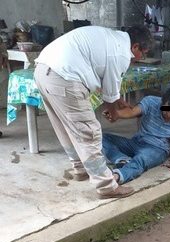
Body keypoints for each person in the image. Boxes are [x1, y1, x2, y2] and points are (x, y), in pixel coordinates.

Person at [34, 25, 153, 199]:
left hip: (44, 71)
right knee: (89, 132)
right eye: (144, 52)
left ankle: (80, 168)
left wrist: (117, 100)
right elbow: (109, 95)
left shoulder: (113, 39)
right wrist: (113, 112)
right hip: (65, 77)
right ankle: (106, 186)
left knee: (66, 126)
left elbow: (108, 83)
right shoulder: (121, 53)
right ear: (135, 47)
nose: (142, 57)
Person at [102, 88, 170, 184]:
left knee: (141, 160)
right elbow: (133, 111)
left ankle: (117, 176)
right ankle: (122, 159)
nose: (169, 115)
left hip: (157, 148)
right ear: (161, 103)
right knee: (102, 138)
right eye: (166, 111)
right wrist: (116, 114)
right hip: (137, 141)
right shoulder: (151, 102)